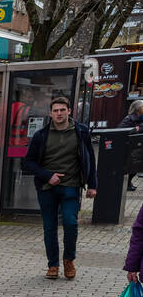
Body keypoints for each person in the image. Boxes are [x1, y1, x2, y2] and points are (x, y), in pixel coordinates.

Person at [22, 94, 98, 280]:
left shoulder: (81, 131)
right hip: (47, 188)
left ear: (69, 111)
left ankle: (68, 261)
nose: (59, 113)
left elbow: (90, 159)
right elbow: (28, 163)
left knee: (71, 224)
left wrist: (92, 185)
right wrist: (49, 176)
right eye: (55, 111)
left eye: (62, 110)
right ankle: (53, 265)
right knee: (50, 228)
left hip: (71, 186)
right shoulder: (41, 135)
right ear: (50, 113)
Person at [121, 100, 143, 191]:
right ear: (138, 109)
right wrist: (135, 129)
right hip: (129, 147)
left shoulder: (140, 118)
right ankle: (126, 184)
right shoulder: (129, 118)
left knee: (134, 167)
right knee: (131, 167)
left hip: (137, 147)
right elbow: (121, 130)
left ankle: (128, 183)